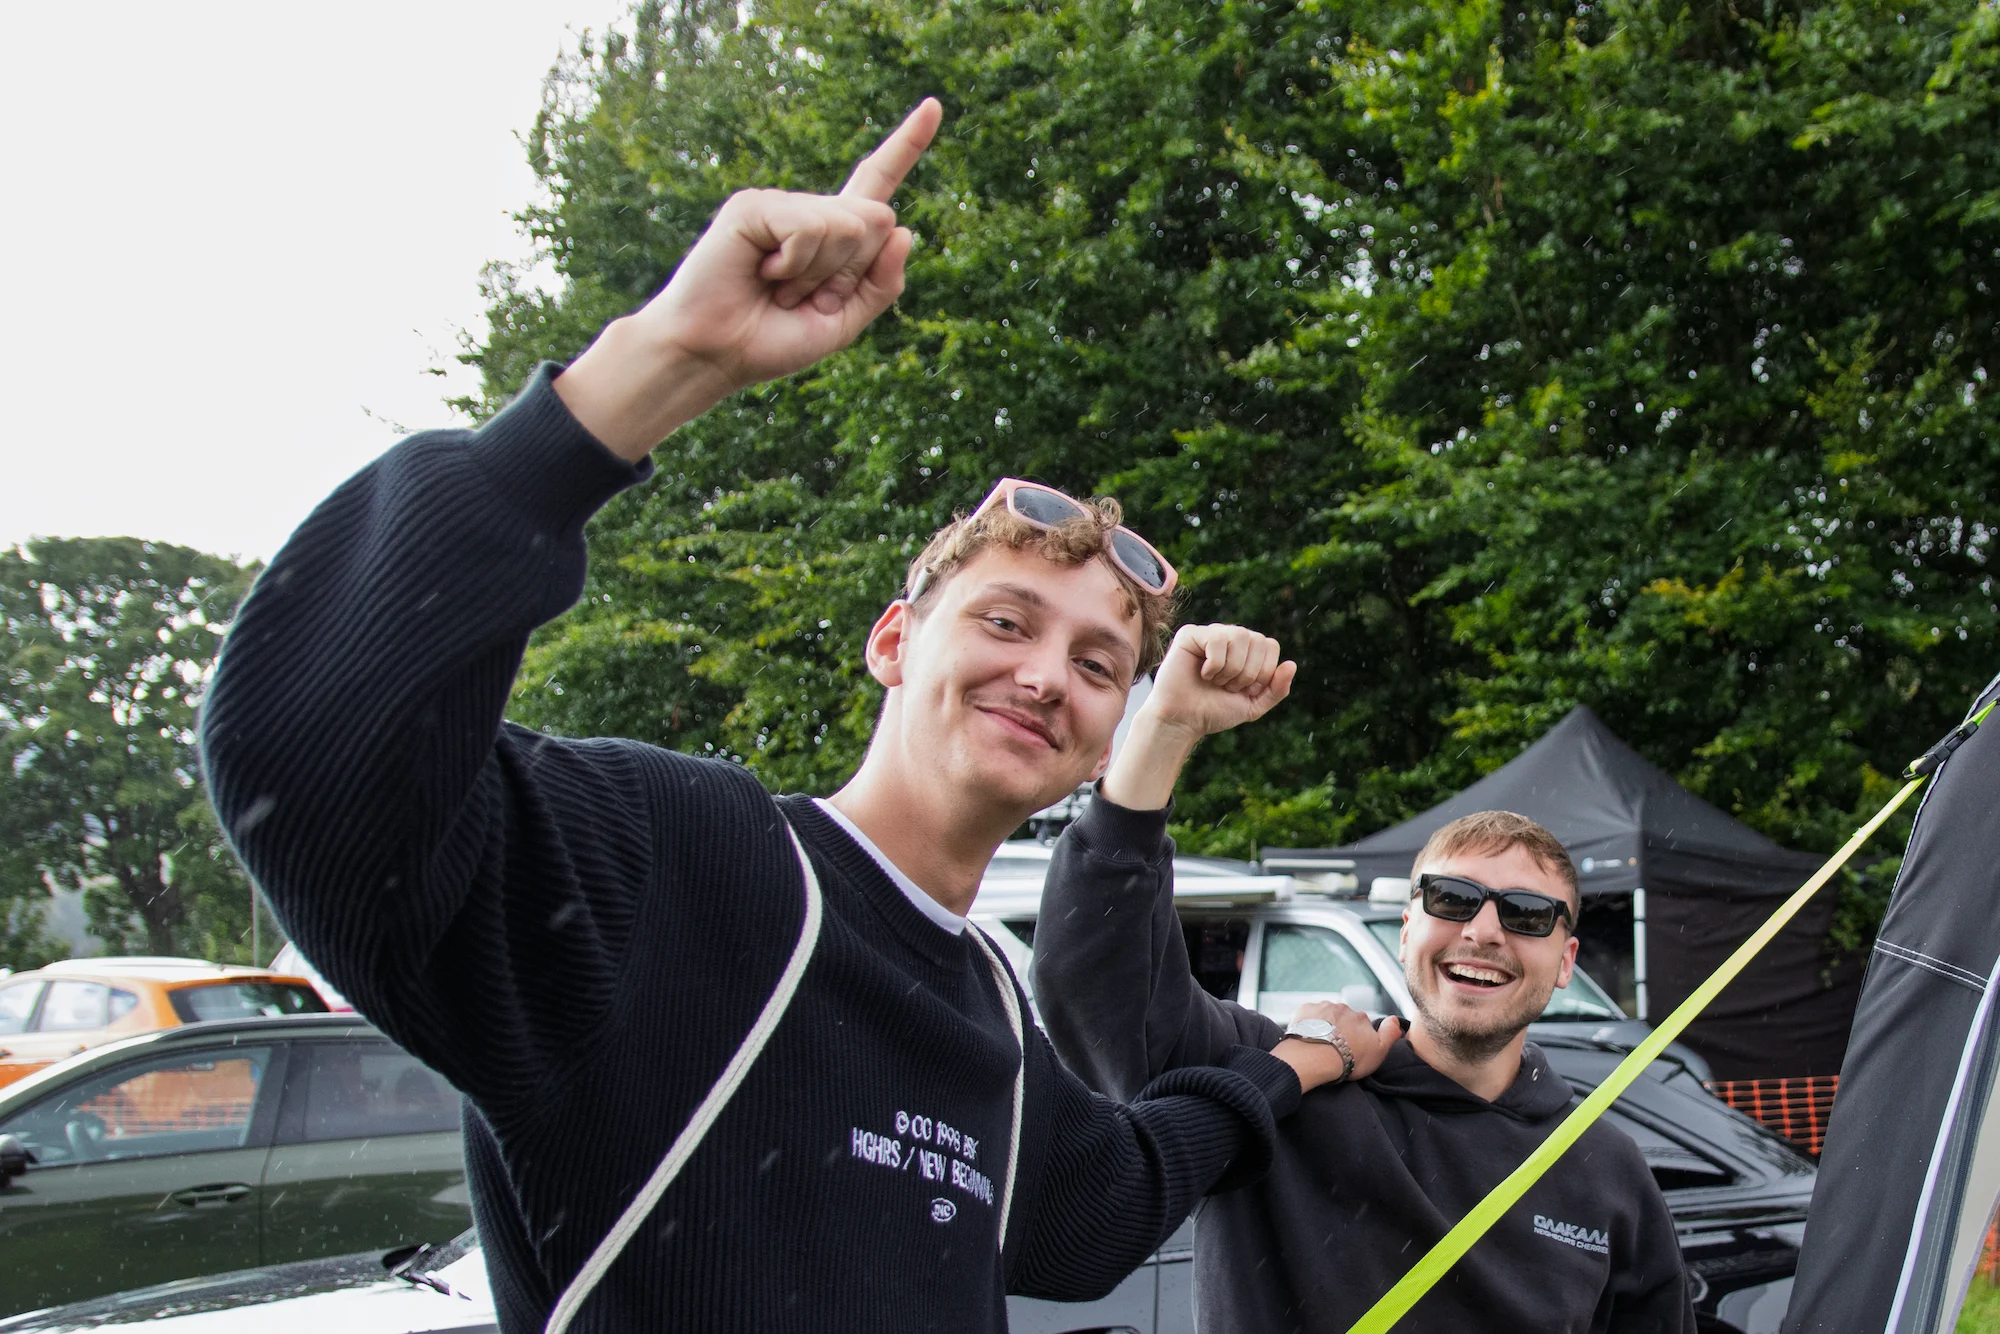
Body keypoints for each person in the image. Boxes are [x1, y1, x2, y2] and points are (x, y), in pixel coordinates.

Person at [199, 99, 1354, 1334]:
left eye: (1094, 661)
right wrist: (653, 371)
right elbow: (313, 759)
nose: (1044, 676)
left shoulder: (984, 1003)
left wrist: (1298, 1063)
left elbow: (1092, 1211)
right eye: (1005, 622)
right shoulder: (692, 864)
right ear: (893, 643)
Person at [1031, 624, 1696, 1333]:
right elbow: (1096, 982)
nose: (1483, 931)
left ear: (1566, 962)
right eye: (1452, 899)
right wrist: (1164, 727)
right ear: (1407, 928)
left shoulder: (1607, 1170)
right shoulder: (1284, 1081)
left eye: (1529, 914)